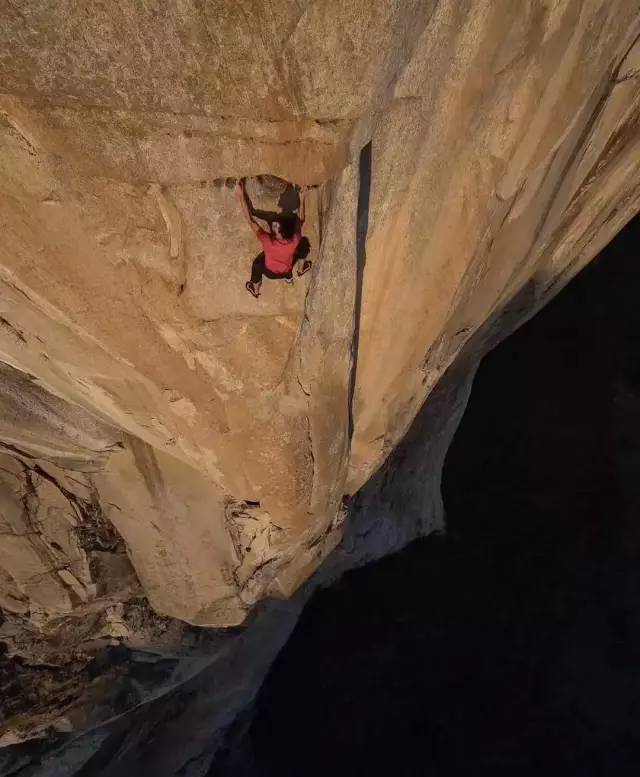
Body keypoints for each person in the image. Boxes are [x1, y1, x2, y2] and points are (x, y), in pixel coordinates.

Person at [235, 179, 312, 298]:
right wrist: (302, 199)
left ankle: (255, 288)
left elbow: (250, 220)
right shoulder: (295, 239)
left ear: (276, 235)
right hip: (286, 270)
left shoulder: (268, 242)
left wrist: (240, 195)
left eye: (276, 228)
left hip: (270, 273)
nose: (275, 226)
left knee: (257, 264)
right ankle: (298, 270)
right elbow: (301, 219)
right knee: (304, 243)